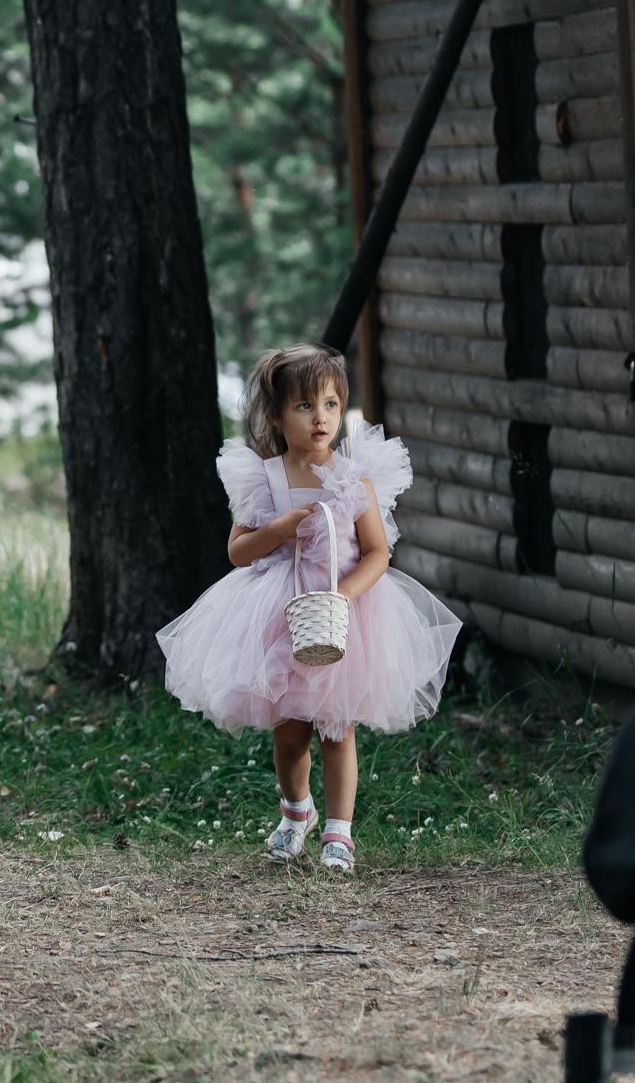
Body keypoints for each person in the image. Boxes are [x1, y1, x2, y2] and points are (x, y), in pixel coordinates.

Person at [157, 343, 461, 873]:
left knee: (337, 728)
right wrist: (278, 529)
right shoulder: (265, 478)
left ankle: (339, 834)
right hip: (277, 615)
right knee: (291, 729)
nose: (319, 418)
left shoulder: (353, 477)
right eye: (303, 407)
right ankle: (296, 811)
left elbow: (377, 553)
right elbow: (237, 552)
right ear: (276, 415)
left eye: (330, 405)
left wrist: (344, 596)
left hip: (343, 614)